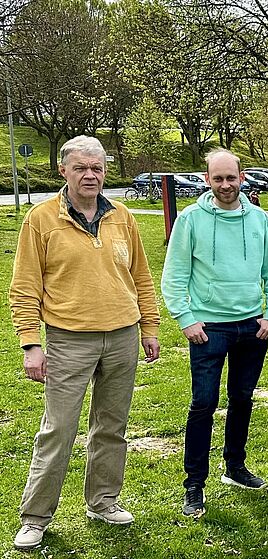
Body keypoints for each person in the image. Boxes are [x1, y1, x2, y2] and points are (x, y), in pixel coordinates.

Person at [8, 136, 160, 550]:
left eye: (97, 167)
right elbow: (24, 287)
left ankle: (103, 501)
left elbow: (141, 278)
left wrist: (149, 326)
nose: (90, 175)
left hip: (123, 336)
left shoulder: (123, 216)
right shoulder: (41, 219)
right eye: (81, 168)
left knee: (111, 427)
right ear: (64, 171)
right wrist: (30, 343)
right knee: (58, 430)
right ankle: (35, 517)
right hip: (68, 340)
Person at [161, 149, 268, 515]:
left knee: (242, 399)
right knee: (203, 403)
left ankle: (235, 467)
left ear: (242, 177)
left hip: (252, 326)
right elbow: (174, 276)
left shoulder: (260, 219)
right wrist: (186, 318)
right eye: (218, 179)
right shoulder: (191, 220)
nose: (226, 185)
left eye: (231, 178)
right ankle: (194, 484)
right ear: (207, 179)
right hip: (208, 328)